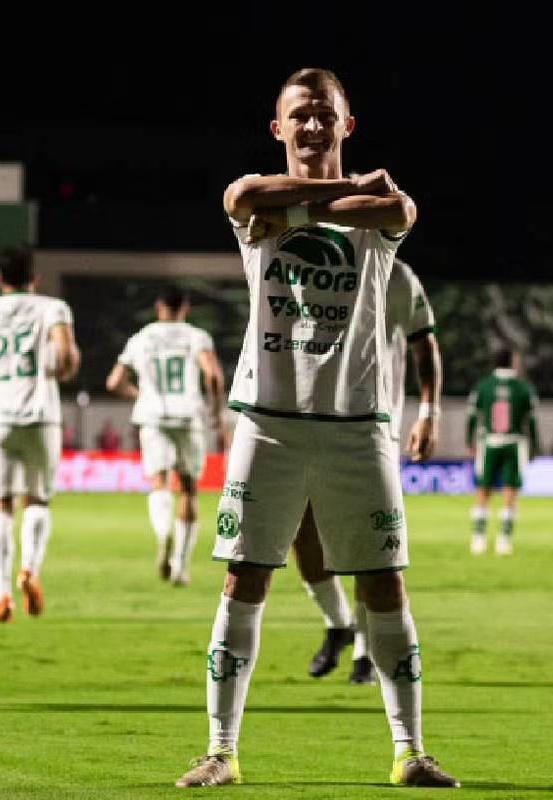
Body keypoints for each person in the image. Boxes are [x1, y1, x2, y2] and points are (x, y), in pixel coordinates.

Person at [174, 68, 459, 789]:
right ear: (278, 129)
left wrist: (298, 217)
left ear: (345, 124)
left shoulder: (376, 216)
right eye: (298, 115)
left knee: (385, 588)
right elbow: (243, 195)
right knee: (245, 581)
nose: (310, 126)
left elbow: (400, 210)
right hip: (267, 423)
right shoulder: (264, 203)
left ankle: (409, 751)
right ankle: (220, 752)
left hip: (356, 427)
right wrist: (333, 197)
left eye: (323, 114)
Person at [294, 258, 442, 686]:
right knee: (302, 539)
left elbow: (424, 342)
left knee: (366, 547)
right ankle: (339, 623)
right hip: (305, 425)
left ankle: (363, 652)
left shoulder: (395, 273)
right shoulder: (305, 262)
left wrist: (429, 412)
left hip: (373, 431)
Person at [0, 248, 80, 622]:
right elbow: (67, 358)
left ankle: (0, 592)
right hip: (41, 418)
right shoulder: (53, 309)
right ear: (32, 278)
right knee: (37, 501)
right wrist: (62, 367)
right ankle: (30, 571)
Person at [105, 286, 225, 585]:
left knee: (159, 482)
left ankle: (163, 533)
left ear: (159, 307)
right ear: (184, 309)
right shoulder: (195, 337)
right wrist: (215, 410)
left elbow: (114, 381)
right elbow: (212, 375)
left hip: (153, 415)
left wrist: (140, 395)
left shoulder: (141, 338)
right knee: (188, 489)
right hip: (188, 415)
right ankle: (181, 567)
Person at [466, 349, 539, 555]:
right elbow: (531, 421)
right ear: (513, 361)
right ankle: (503, 540)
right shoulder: (523, 388)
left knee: (483, 490)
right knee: (509, 492)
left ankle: (478, 539)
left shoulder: (483, 386)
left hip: (488, 443)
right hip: (513, 444)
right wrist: (534, 446)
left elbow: (472, 417)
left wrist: (469, 442)